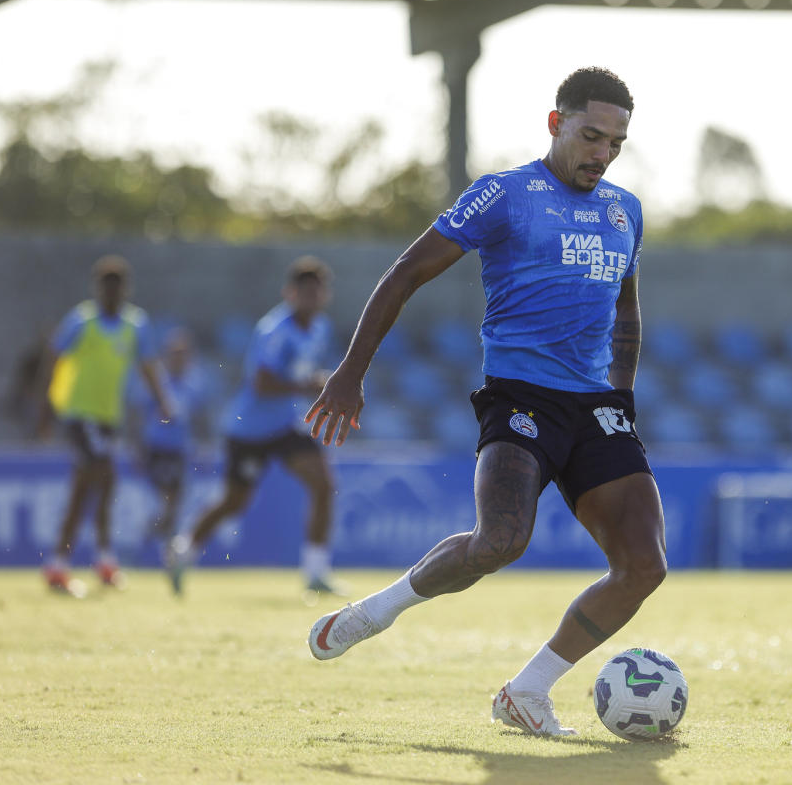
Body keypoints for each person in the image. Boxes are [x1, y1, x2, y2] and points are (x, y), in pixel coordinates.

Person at [305, 67, 665, 737]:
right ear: (556, 124)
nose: (602, 153)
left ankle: (527, 691)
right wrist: (351, 371)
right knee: (500, 540)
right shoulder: (505, 195)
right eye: (591, 136)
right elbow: (406, 271)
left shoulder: (626, 210)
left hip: (597, 408)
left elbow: (627, 314)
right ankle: (377, 612)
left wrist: (621, 397)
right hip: (520, 396)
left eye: (615, 143)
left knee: (645, 566)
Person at [168, 256, 343, 596]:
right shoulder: (274, 330)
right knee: (234, 502)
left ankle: (316, 573)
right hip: (248, 430)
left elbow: (299, 377)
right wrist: (308, 386)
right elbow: (261, 383)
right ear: (290, 293)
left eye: (317, 292)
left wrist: (311, 386)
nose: (312, 299)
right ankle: (183, 549)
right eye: (305, 292)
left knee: (323, 484)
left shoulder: (320, 328)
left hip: (284, 426)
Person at [37, 255, 172, 596]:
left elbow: (148, 365)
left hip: (109, 418)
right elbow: (53, 360)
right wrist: (45, 409)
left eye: (117, 286)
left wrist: (162, 400)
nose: (111, 293)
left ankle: (71, 563)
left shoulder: (135, 325)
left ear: (126, 289)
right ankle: (88, 562)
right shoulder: (81, 322)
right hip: (80, 415)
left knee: (96, 487)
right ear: (97, 289)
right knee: (98, 480)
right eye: (105, 286)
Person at [129, 327, 207, 552]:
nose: (179, 358)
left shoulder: (194, 383)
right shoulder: (158, 382)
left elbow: (199, 416)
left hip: (180, 450)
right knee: (171, 500)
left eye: (183, 353)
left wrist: (203, 441)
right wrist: (136, 446)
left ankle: (154, 538)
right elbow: (137, 413)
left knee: (175, 505)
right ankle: (157, 542)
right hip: (157, 448)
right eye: (175, 353)